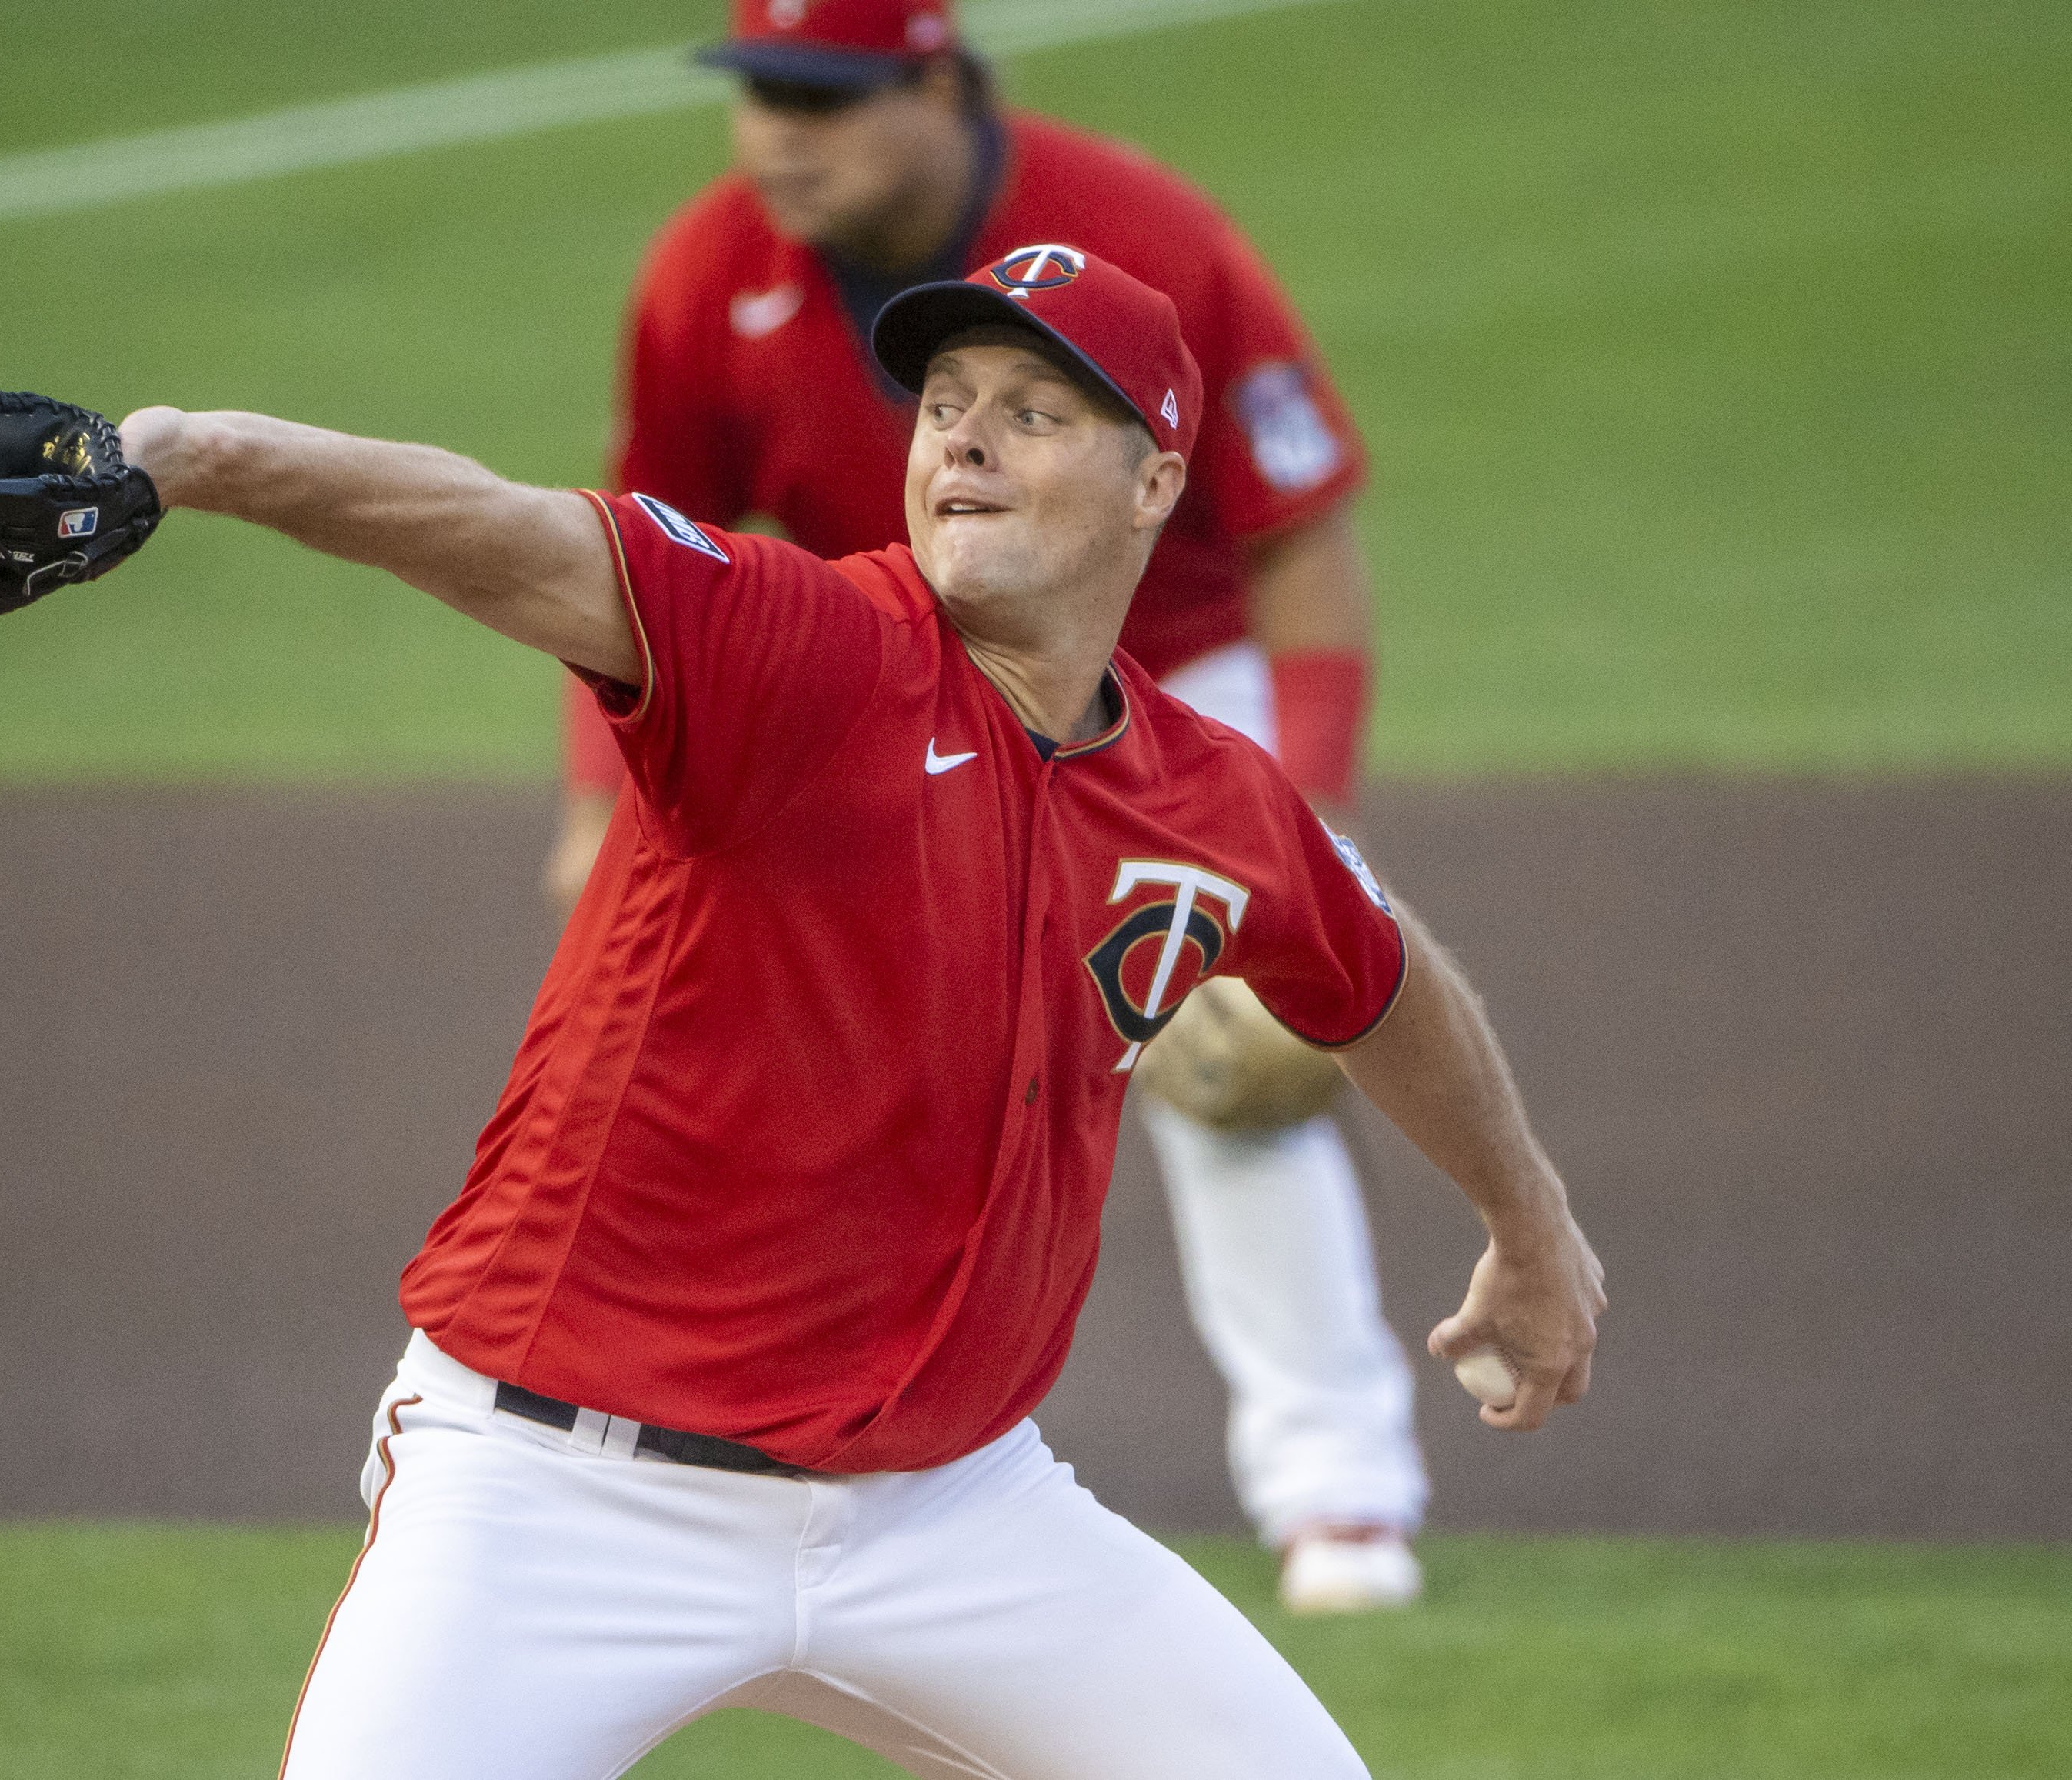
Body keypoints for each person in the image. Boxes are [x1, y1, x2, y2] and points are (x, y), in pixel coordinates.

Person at [115, 244, 1604, 1778]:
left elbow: (1381, 968)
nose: (959, 435)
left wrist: (1526, 1216)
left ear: (1155, 483)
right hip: (556, 1492)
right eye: (942, 402)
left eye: (1030, 410)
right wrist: (191, 456)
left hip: (951, 1513)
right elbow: (497, 529)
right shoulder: (795, 646)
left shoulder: (1208, 798)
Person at [545, 0, 1425, 1610]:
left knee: (1221, 1057)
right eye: (757, 93)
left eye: (820, 95)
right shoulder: (703, 271)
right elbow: (623, 547)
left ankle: (1337, 1495)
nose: (775, 135)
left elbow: (1300, 536)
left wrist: (1299, 820)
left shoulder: (1138, 235)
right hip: (885, 676)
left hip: (1169, 673)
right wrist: (598, 794)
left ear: (937, 82)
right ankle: (825, 1443)